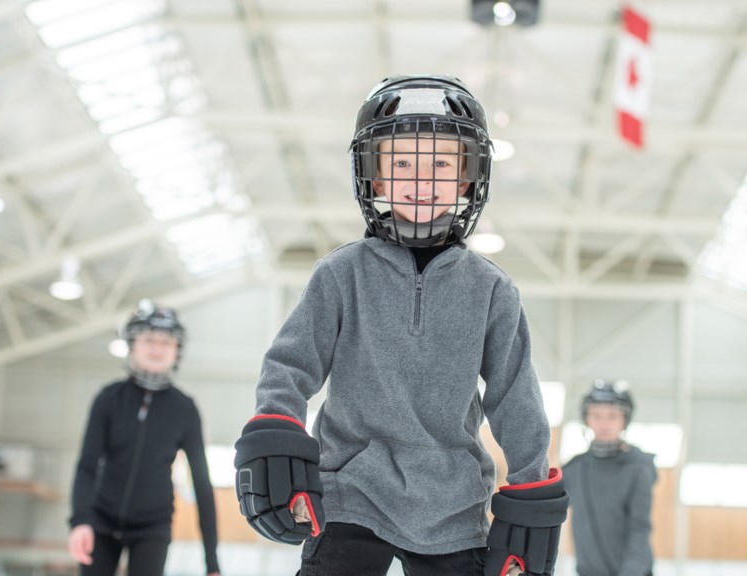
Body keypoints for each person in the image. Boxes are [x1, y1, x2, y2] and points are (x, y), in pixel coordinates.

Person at [233, 75, 569, 576]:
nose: (421, 180)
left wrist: (529, 486)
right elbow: (289, 364)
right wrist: (278, 427)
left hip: (453, 507)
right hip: (351, 494)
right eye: (404, 162)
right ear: (376, 176)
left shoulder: (491, 290)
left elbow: (516, 398)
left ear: (466, 179)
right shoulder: (340, 274)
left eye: (440, 163)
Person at [68, 300, 220, 576]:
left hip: (152, 526)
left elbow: (201, 484)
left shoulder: (185, 409)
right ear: (132, 343)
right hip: (100, 521)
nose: (157, 348)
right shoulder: (108, 399)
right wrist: (81, 520)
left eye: (166, 342)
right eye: (149, 339)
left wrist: (212, 561)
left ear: (177, 351)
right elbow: (87, 465)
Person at [560, 380, 657, 576]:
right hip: (588, 571)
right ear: (586, 419)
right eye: (596, 415)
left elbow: (640, 527)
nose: (603, 423)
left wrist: (632, 572)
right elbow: (546, 509)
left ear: (625, 420)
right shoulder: (575, 468)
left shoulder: (638, 467)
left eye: (612, 416)